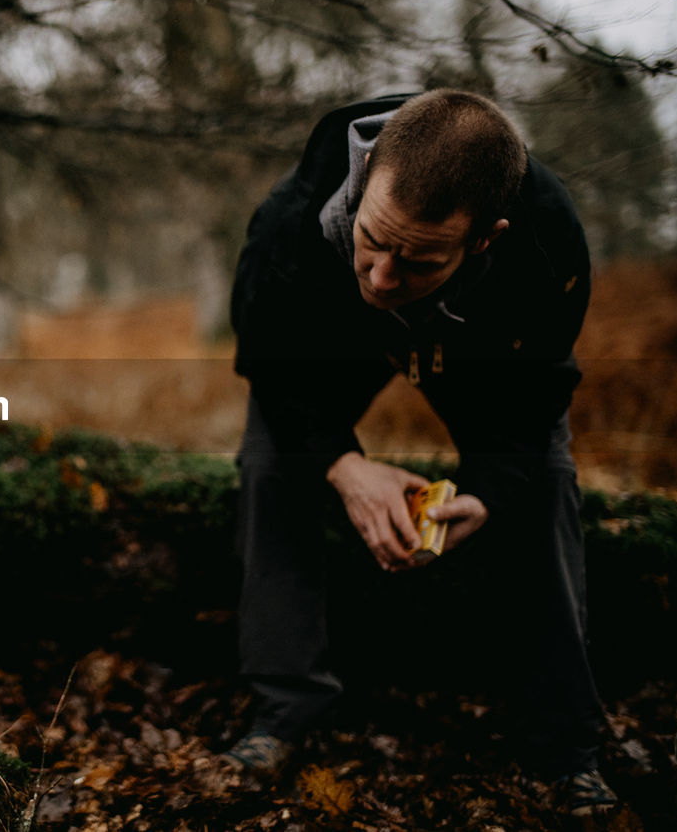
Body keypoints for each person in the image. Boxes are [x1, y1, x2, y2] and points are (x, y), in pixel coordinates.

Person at [224, 89, 617, 816]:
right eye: (373, 238)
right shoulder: (292, 217)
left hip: (474, 338)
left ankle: (566, 744)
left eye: (418, 258)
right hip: (329, 338)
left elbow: (533, 405)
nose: (381, 276)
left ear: (486, 238)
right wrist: (344, 465)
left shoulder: (545, 244)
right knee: (270, 460)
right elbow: (269, 362)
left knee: (546, 481)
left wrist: (491, 490)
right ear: (365, 175)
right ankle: (285, 708)